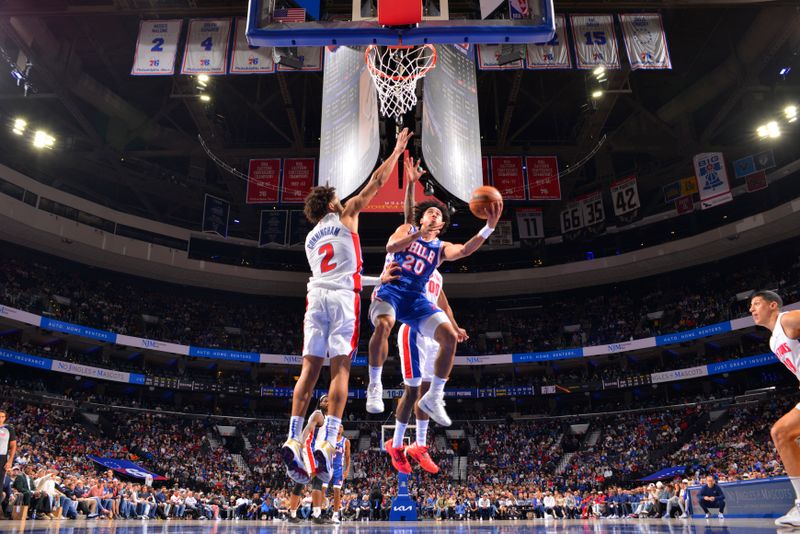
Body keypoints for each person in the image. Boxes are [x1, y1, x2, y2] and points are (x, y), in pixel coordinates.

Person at [281, 128, 413, 485]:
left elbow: (338, 273)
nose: (343, 199)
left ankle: (294, 436)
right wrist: (397, 151)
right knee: (340, 370)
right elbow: (376, 181)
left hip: (316, 298)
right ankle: (327, 440)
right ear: (331, 204)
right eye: (337, 198)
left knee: (308, 371)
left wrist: (376, 281)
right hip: (342, 300)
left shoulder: (310, 239)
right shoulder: (347, 215)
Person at [367, 160, 503, 427]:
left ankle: (434, 397)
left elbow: (463, 251)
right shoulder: (407, 230)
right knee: (384, 325)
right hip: (391, 292)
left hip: (416, 301)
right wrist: (417, 228)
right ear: (421, 218)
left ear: (441, 224)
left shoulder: (441, 247)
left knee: (450, 337)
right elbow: (391, 246)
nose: (432, 215)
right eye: (428, 212)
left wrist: (489, 227)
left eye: (437, 214)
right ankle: (374, 384)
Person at [377, 163, 468, 473]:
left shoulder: (436, 269)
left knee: (429, 391)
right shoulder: (411, 241)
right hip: (412, 327)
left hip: (431, 325)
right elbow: (409, 219)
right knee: (413, 389)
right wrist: (412, 187)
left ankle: (421, 444)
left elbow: (444, 305)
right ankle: (398, 444)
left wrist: (455, 328)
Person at [749, 290, 800, 527]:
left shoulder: (787, 320)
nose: (751, 309)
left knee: (780, 433)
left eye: (756, 303)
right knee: (781, 433)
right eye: (750, 305)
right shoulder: (773, 341)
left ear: (772, 305)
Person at [322, 425, 350, 523]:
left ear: (343, 429)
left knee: (337, 491)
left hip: (338, 468)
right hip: (328, 467)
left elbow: (347, 457)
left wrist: (347, 470)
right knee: (322, 489)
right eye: (337, 426)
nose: (339, 428)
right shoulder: (329, 439)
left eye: (341, 427)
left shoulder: (345, 441)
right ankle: (319, 512)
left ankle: (335, 515)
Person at [0, 410, 16, 512]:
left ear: (5, 418)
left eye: (2, 416)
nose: (0, 418)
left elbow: (13, 446)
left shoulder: (8, 429)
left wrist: (10, 461)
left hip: (1, 458)